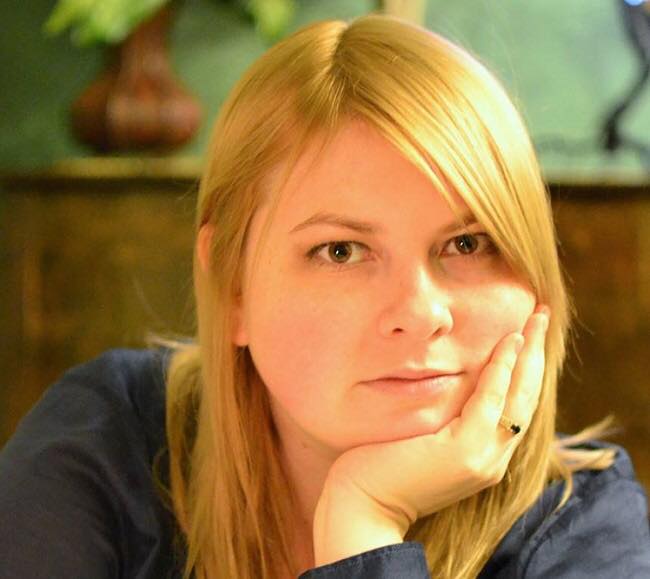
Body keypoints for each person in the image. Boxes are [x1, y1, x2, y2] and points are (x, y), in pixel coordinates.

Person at [1, 13, 649, 579]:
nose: (421, 312)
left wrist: (364, 519)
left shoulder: (584, 527)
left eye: (468, 243)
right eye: (341, 251)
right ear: (231, 285)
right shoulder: (108, 439)